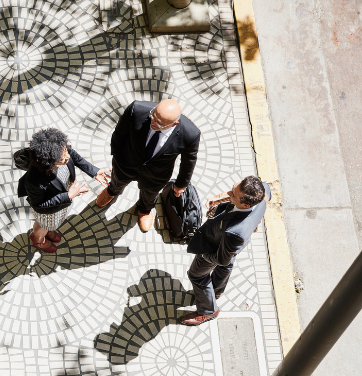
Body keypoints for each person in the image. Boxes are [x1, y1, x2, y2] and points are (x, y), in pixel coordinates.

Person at [96, 99, 200, 233]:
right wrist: (116, 155)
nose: (153, 122)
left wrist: (181, 184)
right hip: (126, 162)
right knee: (117, 180)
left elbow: (189, 160)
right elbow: (119, 133)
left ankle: (144, 209)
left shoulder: (191, 134)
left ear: (175, 124)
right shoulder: (136, 109)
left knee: (150, 194)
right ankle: (112, 191)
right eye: (153, 115)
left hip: (157, 174)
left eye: (159, 123)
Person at [179, 176, 270, 325]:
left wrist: (203, 254)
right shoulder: (263, 189)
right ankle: (216, 291)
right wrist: (217, 200)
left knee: (196, 275)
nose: (228, 194)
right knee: (227, 263)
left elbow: (221, 259)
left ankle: (209, 310)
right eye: (233, 188)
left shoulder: (235, 232)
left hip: (215, 246)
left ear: (246, 205)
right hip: (234, 244)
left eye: (233, 195)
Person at [18, 128, 110, 253]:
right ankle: (38, 239)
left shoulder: (59, 148)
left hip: (62, 197)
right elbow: (39, 205)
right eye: (62, 158)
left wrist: (94, 171)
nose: (67, 156)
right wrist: (68, 196)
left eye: (65, 150)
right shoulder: (34, 179)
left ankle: (50, 230)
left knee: (52, 225)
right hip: (48, 209)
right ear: (48, 162)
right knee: (43, 225)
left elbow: (75, 156)